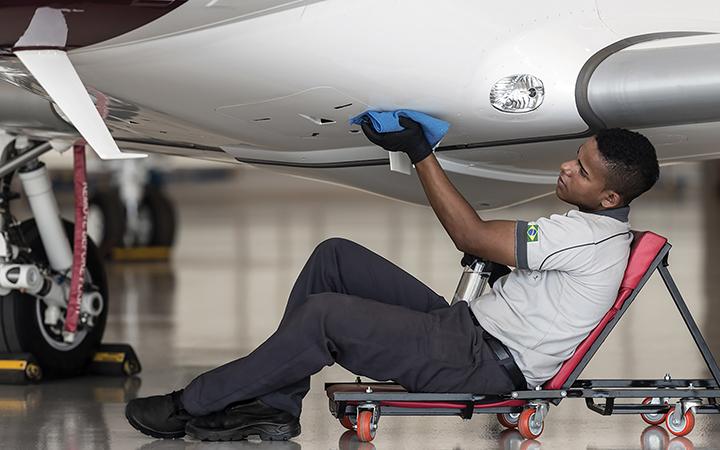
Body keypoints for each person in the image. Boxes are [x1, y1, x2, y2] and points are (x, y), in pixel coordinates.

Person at [125, 118, 660, 441]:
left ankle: (191, 404)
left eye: (582, 171)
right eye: (576, 157)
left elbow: (471, 235)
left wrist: (419, 151)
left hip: (478, 361)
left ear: (610, 197)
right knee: (335, 258)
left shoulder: (583, 236)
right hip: (466, 329)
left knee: (324, 316)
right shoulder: (591, 228)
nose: (566, 167)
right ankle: (275, 407)